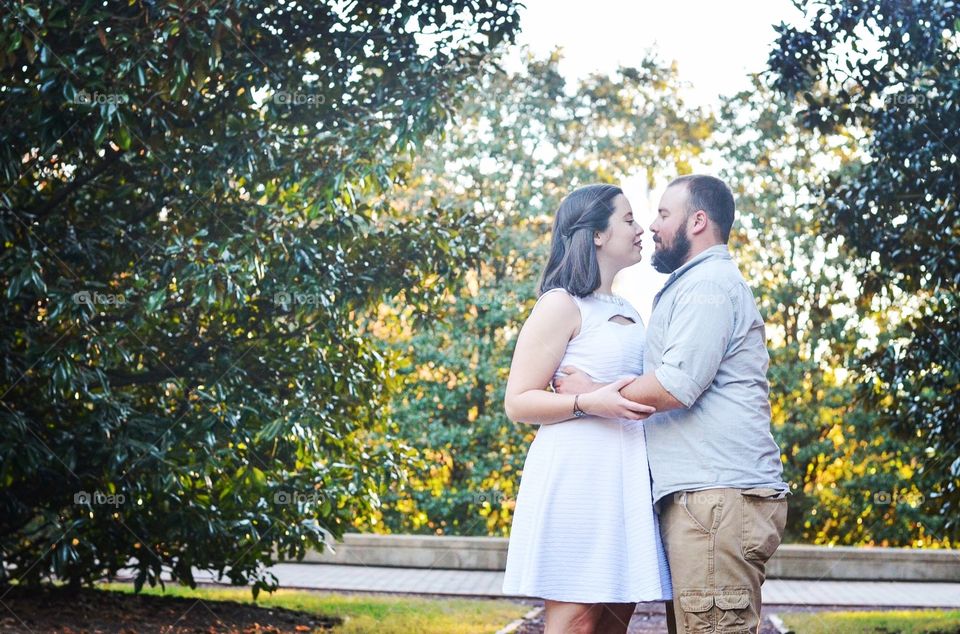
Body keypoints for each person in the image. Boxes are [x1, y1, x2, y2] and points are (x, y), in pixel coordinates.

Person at [556, 175, 789, 634]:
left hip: (717, 498)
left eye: (663, 214)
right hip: (708, 498)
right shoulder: (694, 286)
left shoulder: (708, 287)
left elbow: (675, 385)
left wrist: (595, 392)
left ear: (697, 220)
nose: (652, 226)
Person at [502, 183, 672, 634]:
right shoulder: (560, 304)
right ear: (597, 234)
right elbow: (518, 401)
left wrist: (601, 391)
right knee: (576, 620)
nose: (641, 229)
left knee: (617, 616)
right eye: (629, 219)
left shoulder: (629, 310)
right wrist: (586, 401)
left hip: (627, 477)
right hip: (578, 477)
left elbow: (642, 393)